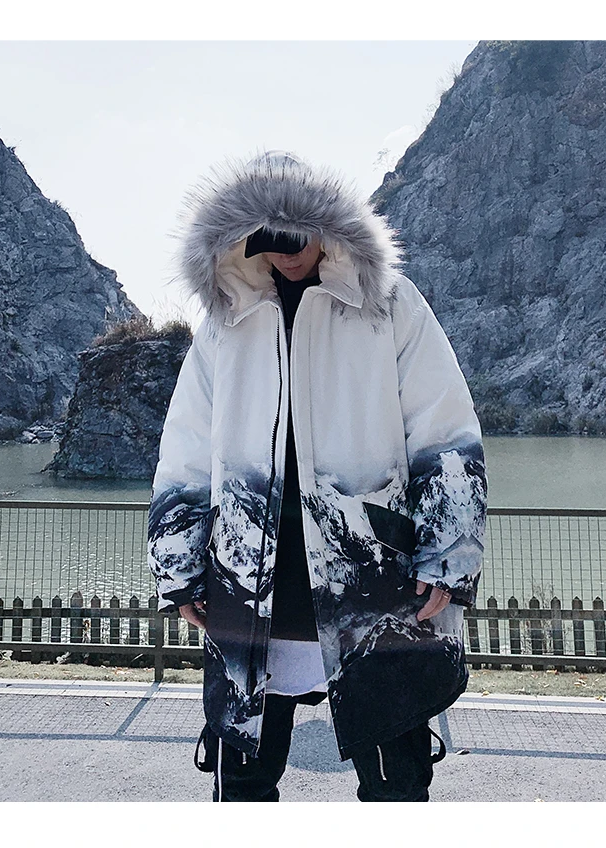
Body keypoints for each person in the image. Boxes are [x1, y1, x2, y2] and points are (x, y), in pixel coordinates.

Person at [147, 149, 488, 802]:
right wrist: (180, 564)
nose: (285, 256)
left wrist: (447, 551)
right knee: (242, 784)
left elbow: (444, 429)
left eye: (294, 238)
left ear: (326, 226)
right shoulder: (226, 322)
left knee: (395, 780)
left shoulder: (389, 303)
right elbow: (186, 449)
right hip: (252, 581)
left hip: (373, 579)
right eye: (266, 243)